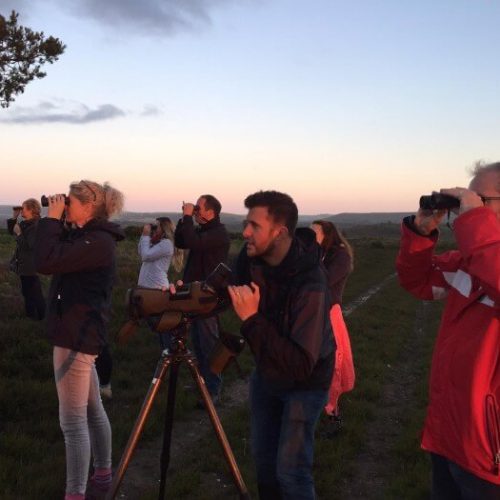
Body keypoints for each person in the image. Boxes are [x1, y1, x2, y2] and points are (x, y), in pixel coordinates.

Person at [396, 161, 500, 499]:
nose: (466, 210)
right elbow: (420, 282)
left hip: (490, 457)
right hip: (451, 437)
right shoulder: (470, 262)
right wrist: (420, 233)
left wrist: (475, 224)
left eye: (477, 200)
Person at [228, 190, 334, 499]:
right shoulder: (250, 260)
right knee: (264, 465)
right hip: (267, 374)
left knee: (291, 472)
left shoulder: (310, 281)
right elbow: (224, 292)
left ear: (280, 232)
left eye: (254, 226)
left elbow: (301, 363)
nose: (245, 232)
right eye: (246, 223)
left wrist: (251, 320)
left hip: (306, 383)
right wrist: (185, 296)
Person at [34, 180, 125, 500]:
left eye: (70, 201)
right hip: (79, 331)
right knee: (92, 409)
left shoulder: (97, 242)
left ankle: (76, 493)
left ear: (88, 207)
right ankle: (102, 475)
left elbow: (45, 261)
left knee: (73, 424)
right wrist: (56, 220)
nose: (64, 204)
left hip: (75, 336)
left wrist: (49, 219)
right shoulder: (89, 237)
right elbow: (56, 251)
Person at [174, 194, 230, 404]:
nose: (196, 211)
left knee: (208, 343)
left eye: (199, 208)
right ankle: (202, 382)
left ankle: (213, 389)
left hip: (208, 297)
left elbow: (192, 242)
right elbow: (181, 241)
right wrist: (184, 218)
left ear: (211, 212)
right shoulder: (205, 230)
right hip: (194, 295)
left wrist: (189, 217)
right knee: (197, 342)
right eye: (194, 208)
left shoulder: (219, 233)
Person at [311, 220, 355, 431]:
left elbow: (323, 281)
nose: (311, 236)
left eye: (314, 232)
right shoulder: (320, 253)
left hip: (328, 313)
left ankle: (332, 413)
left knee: (333, 363)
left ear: (327, 234)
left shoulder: (340, 256)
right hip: (313, 313)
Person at [138, 216, 184, 349]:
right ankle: (167, 353)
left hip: (157, 288)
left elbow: (145, 255)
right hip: (149, 288)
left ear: (163, 229)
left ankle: (170, 352)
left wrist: (146, 236)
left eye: (156, 226)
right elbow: (141, 252)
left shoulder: (166, 244)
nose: (154, 228)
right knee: (156, 325)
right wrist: (145, 235)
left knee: (161, 325)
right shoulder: (157, 242)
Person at [7, 198, 46, 320]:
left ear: (31, 210)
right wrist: (14, 218)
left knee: (33, 293)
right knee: (28, 292)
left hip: (30, 266)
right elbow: (11, 231)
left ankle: (38, 318)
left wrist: (19, 234)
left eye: (23, 208)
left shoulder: (35, 225)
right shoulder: (26, 223)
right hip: (25, 265)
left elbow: (30, 245)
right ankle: (34, 317)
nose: (21, 210)